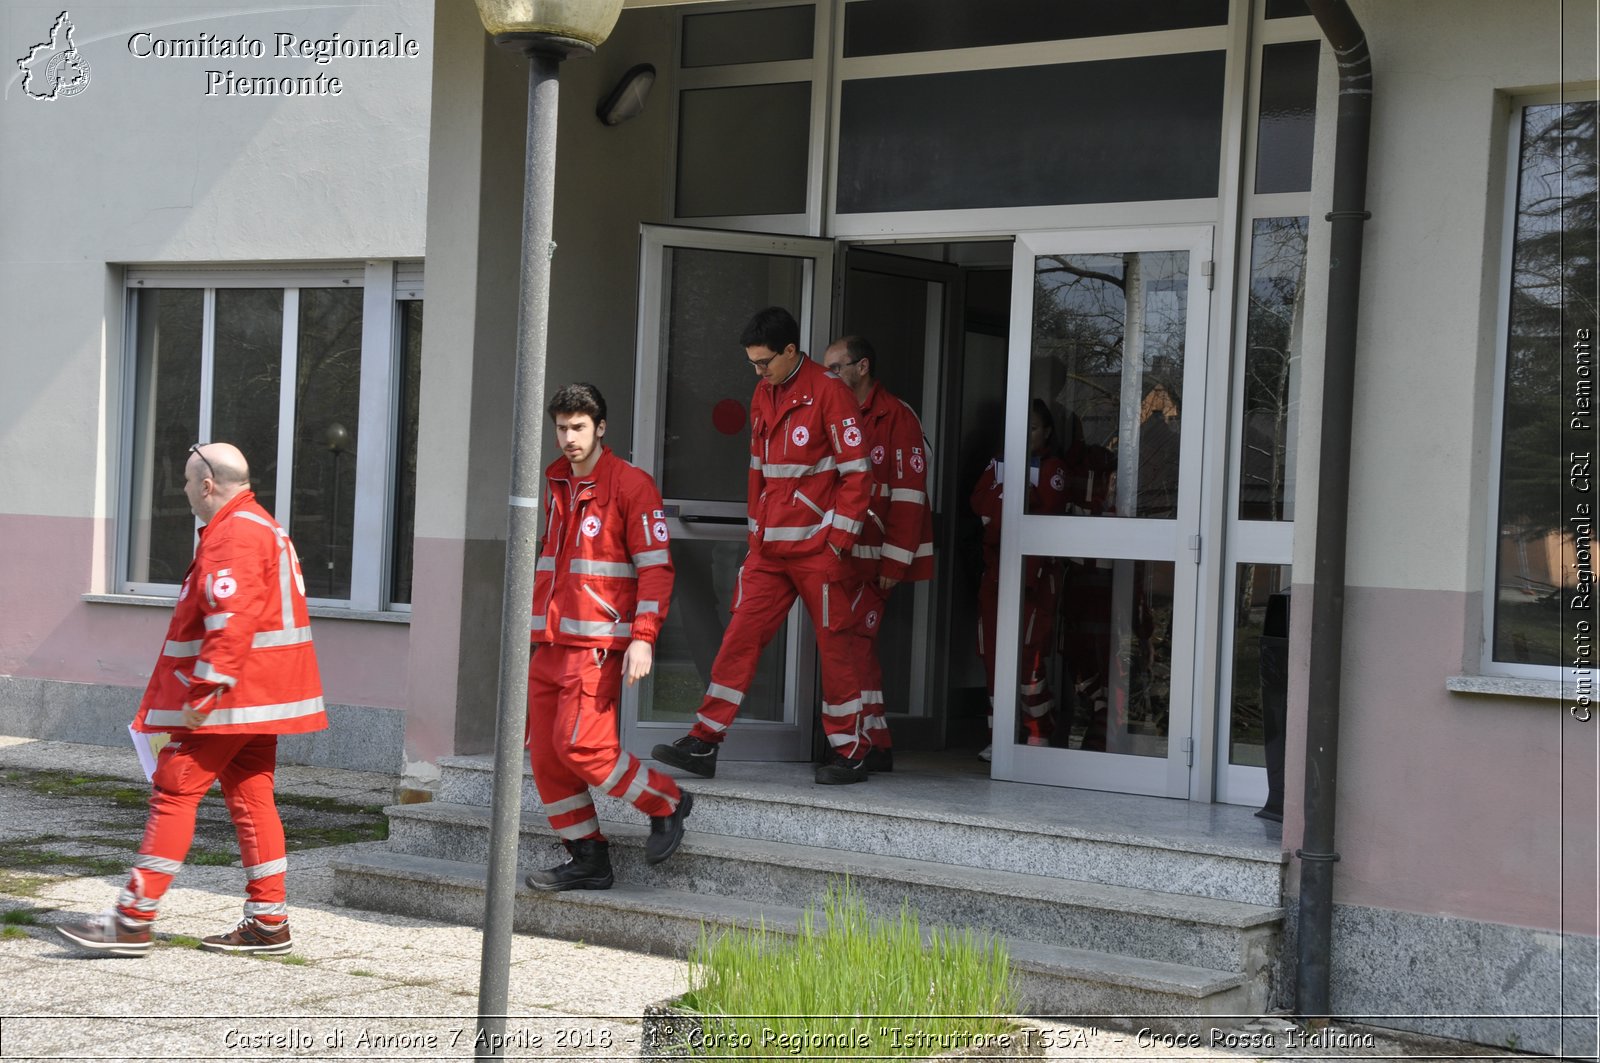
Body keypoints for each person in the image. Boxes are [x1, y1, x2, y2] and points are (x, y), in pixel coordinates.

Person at [58, 442, 327, 957]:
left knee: (174, 790)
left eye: (185, 481)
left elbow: (231, 616)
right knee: (252, 798)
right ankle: (269, 921)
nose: (182, 491)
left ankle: (132, 919)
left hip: (230, 696)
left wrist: (204, 690)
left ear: (207, 484)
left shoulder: (234, 534)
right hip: (259, 694)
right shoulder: (261, 526)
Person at [653, 307, 874, 785]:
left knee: (836, 648)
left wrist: (836, 542)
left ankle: (850, 751)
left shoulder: (831, 394)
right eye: (752, 363)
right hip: (770, 552)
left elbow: (858, 475)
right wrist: (757, 533)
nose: (758, 371)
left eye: (764, 361)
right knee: (739, 638)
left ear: (791, 351)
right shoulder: (763, 393)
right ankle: (704, 740)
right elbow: (758, 470)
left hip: (819, 551)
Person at [524, 383, 691, 891]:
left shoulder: (631, 485)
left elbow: (657, 569)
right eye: (561, 427)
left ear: (601, 428)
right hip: (550, 642)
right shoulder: (557, 483)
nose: (568, 437)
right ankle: (588, 856)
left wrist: (644, 637)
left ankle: (667, 801)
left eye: (578, 427)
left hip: (597, 646)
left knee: (585, 748)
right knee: (548, 758)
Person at [821, 336, 934, 773]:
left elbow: (908, 497)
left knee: (853, 648)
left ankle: (860, 743)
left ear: (862, 366)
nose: (829, 376)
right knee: (852, 648)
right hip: (845, 554)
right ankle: (875, 739)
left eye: (836, 367)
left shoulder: (897, 417)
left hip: (877, 559)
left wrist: (895, 562)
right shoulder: (839, 412)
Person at [970, 399, 1068, 760]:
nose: (1024, 435)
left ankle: (1038, 733)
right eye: (1018, 426)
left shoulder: (1054, 468)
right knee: (993, 655)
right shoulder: (998, 463)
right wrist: (1005, 502)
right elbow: (980, 504)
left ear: (1046, 432)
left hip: (1036, 578)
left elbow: (1040, 513)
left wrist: (1002, 506)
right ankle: (1001, 737)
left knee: (1031, 655)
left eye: (1032, 427)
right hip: (996, 575)